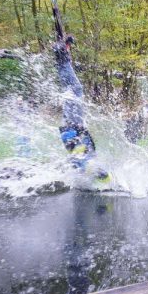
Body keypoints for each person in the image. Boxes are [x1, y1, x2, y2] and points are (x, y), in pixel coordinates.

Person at [53, 35, 110, 183]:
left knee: (74, 91)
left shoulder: (84, 161)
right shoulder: (86, 161)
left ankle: (62, 59)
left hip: (73, 132)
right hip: (73, 134)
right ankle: (62, 59)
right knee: (73, 91)